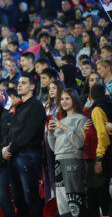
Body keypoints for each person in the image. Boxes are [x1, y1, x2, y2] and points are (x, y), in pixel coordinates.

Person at [1, 74, 46, 217]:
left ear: (32, 87)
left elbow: (29, 133)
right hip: (14, 156)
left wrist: (10, 148)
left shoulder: (36, 105)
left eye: (24, 83)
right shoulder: (20, 106)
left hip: (28, 155)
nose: (19, 85)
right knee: (19, 199)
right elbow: (12, 131)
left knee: (30, 197)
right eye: (19, 83)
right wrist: (5, 147)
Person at [48, 88, 88, 216]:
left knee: (74, 197)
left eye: (67, 98)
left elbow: (79, 143)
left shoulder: (81, 119)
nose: (64, 102)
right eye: (62, 99)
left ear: (74, 100)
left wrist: (64, 127)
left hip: (73, 160)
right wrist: (51, 133)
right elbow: (54, 148)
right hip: (59, 160)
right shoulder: (61, 121)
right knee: (62, 200)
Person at [89, 83, 112, 215]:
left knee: (102, 194)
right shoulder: (108, 104)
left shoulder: (97, 109)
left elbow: (102, 135)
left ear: (91, 96)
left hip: (105, 155)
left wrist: (99, 158)